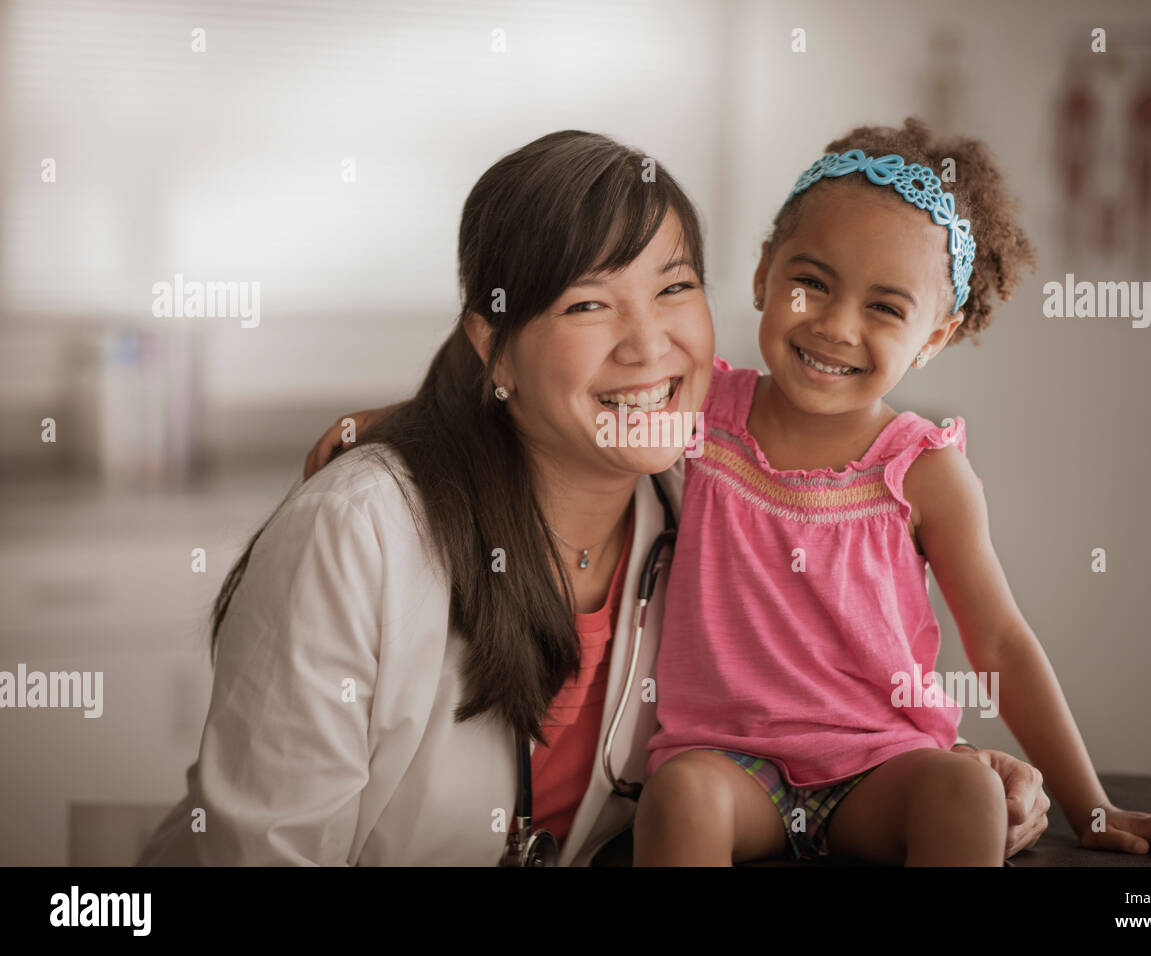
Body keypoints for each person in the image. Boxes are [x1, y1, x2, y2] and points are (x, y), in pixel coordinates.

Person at [264, 129, 1050, 867]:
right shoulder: (359, 531)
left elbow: (807, 677)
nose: (647, 347)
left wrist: (945, 765)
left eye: (673, 288)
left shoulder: (703, 480)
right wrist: (404, 421)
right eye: (586, 303)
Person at [632, 118, 1151, 865]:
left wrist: (1092, 809)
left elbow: (1000, 641)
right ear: (763, 273)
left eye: (885, 307)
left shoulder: (925, 471)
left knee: (965, 791)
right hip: (728, 765)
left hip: (878, 768)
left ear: (936, 336)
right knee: (679, 798)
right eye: (810, 283)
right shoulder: (704, 413)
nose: (837, 326)